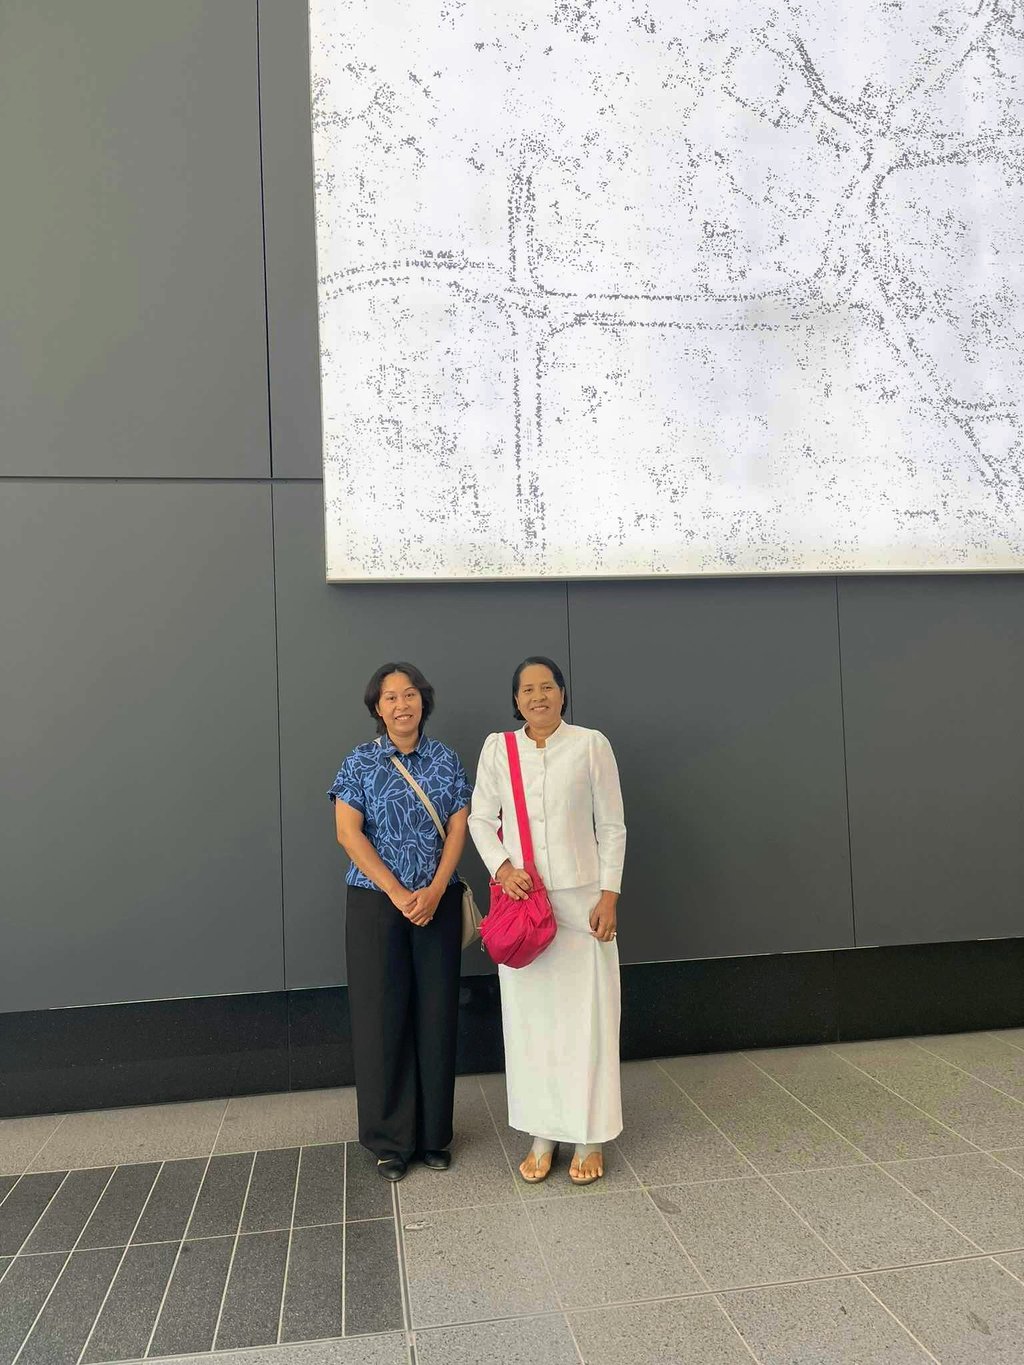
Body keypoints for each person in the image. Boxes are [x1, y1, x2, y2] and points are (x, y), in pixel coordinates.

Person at [468, 657, 626, 1184]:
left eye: (547, 687)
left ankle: (589, 1135)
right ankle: (543, 1133)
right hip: (524, 906)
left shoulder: (590, 745)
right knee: (531, 1023)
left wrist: (609, 894)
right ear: (516, 700)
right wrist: (503, 867)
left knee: (588, 1019)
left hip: (583, 903)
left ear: (562, 693)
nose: (537, 696)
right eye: (527, 690)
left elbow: (612, 825)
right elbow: (480, 819)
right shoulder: (499, 749)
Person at [329, 662, 472, 1182]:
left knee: (436, 1015)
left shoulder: (446, 760)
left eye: (409, 694)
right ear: (377, 707)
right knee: (380, 1019)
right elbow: (348, 832)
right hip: (375, 905)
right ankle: (390, 1141)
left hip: (437, 902)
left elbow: (459, 828)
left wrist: (434, 890)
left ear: (423, 701)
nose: (401, 705)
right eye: (390, 697)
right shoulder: (359, 761)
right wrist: (397, 892)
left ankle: (433, 1136)